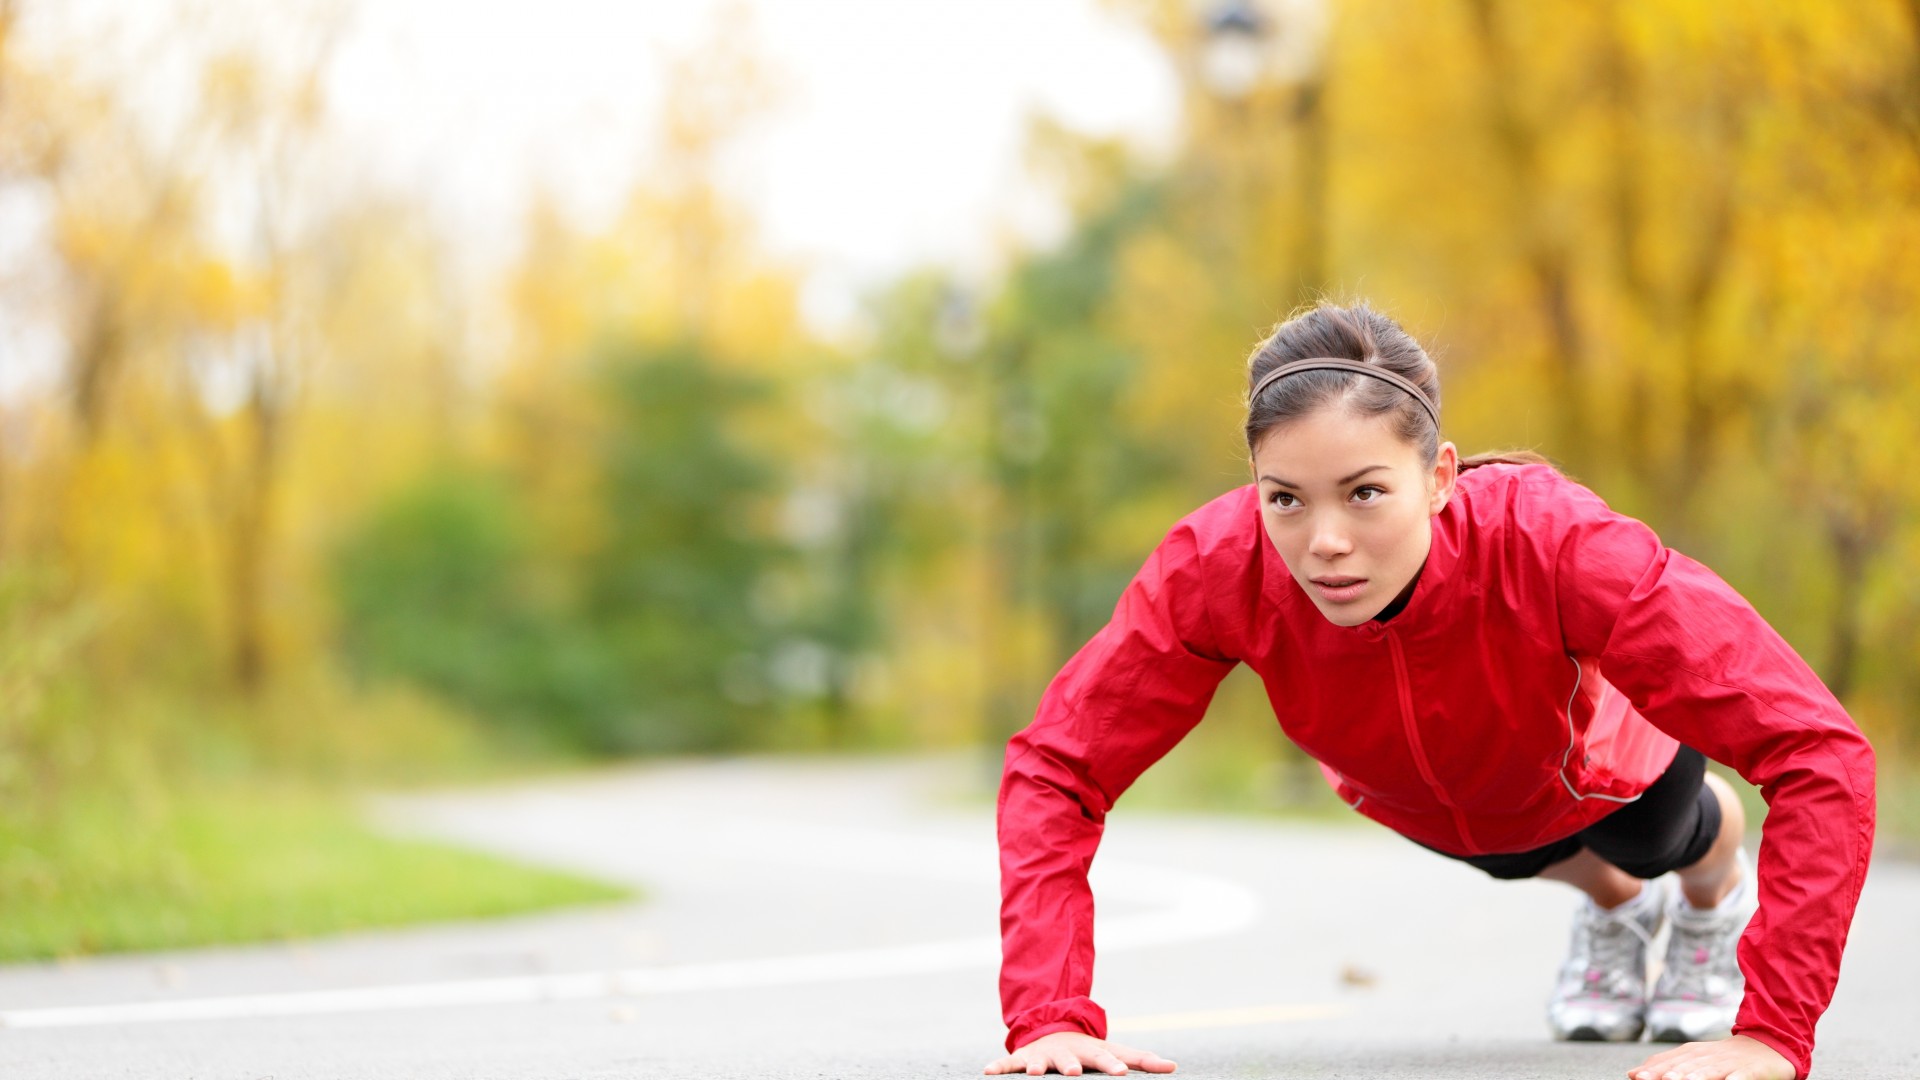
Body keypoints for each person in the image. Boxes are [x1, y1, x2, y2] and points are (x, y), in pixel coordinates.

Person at [983, 303, 1876, 1080]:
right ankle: (1615, 913)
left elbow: (1818, 750)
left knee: (1653, 842)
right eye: (1285, 499)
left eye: (1365, 493)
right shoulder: (1217, 567)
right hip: (1430, 795)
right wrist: (1049, 1016)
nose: (1323, 540)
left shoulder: (1557, 543)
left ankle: (1709, 893)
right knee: (1499, 846)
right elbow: (1060, 765)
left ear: (1440, 477)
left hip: (1603, 769)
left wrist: (1774, 1030)